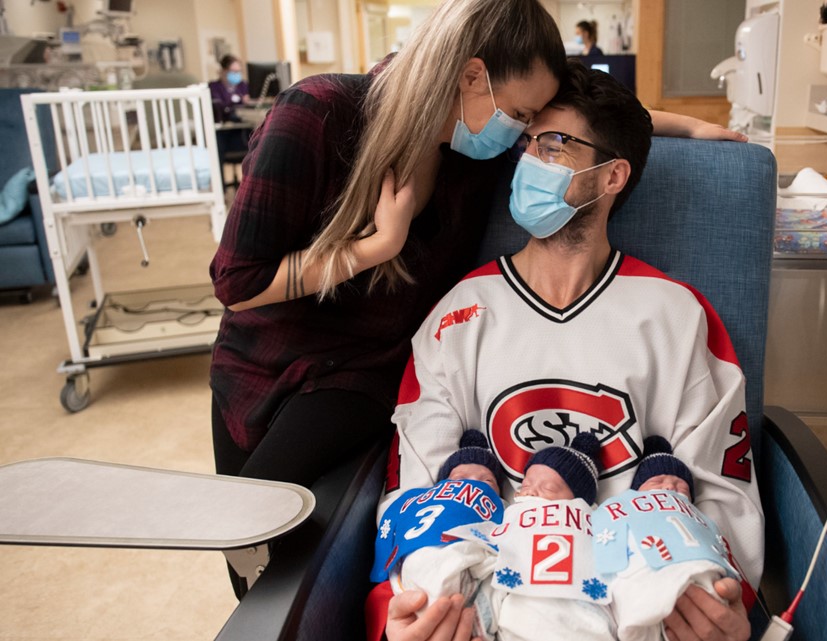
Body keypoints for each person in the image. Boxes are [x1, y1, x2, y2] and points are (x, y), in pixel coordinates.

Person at [209, 0, 745, 490]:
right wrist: (376, 248)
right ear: (471, 76)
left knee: (276, 541)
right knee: (244, 536)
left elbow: (588, 129)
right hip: (268, 356)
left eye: (532, 124)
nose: (524, 134)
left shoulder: (474, 150)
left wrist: (694, 127)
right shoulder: (316, 115)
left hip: (364, 374)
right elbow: (239, 284)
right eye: (521, 115)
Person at [381, 62, 761, 641]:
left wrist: (727, 606)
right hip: (491, 612)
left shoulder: (677, 317)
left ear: (612, 177)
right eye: (527, 143)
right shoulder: (459, 314)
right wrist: (409, 610)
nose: (531, 159)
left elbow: (720, 491)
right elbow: (417, 492)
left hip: (635, 613)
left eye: (555, 145)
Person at [445, 432, 615, 641]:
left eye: (549, 488)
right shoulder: (510, 513)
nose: (531, 492)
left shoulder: (591, 517)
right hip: (519, 600)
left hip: (580, 601)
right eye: (525, 486)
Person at [595, 436, 744, 641]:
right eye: (656, 482)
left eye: (681, 486)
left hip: (696, 564)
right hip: (645, 566)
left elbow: (716, 540)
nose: (668, 487)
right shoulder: (625, 506)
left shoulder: (697, 515)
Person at [366, 430, 505, 641]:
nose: (472, 482)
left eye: (487, 482)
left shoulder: (502, 508)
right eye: (459, 478)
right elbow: (390, 521)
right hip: (417, 568)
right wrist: (381, 568)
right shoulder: (416, 498)